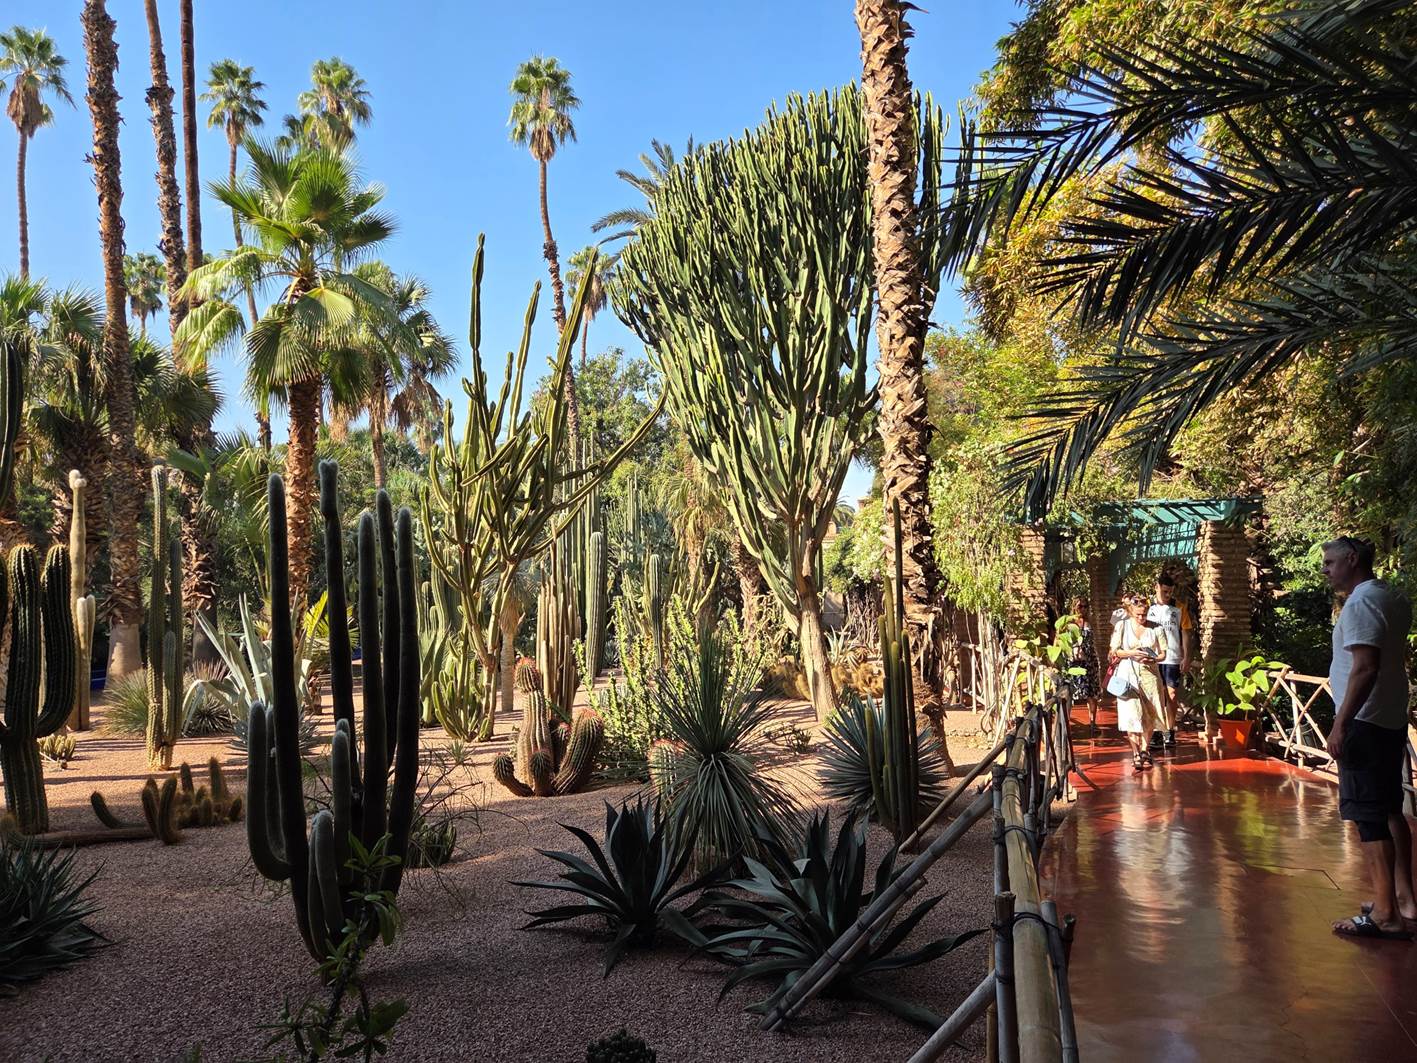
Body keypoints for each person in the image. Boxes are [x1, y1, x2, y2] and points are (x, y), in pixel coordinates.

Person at [1323, 536, 1415, 941]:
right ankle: (1403, 899)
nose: (1325, 570)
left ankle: (1385, 914)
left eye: (1330, 562)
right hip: (1389, 717)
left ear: (1352, 559)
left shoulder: (1361, 603)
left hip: (1364, 720)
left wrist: (1341, 724)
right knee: (1391, 808)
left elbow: (1365, 667)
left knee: (1368, 815)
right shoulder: (1392, 597)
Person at [1110, 592, 1168, 771]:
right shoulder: (1122, 626)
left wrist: (1153, 659)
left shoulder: (1156, 628)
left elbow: (1163, 653)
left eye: (1144, 614)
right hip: (1128, 674)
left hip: (1150, 675)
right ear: (1130, 612)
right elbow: (1115, 650)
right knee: (1131, 713)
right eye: (1138, 615)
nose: (1141, 618)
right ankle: (1135, 752)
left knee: (1150, 713)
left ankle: (1145, 750)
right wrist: (1132, 653)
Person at [1147, 573, 1194, 751]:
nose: (1168, 595)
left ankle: (1170, 729)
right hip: (1152, 657)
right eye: (1165, 591)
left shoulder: (1179, 608)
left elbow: (1186, 632)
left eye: (1170, 592)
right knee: (1156, 695)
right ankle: (1157, 730)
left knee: (1172, 695)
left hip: (1172, 657)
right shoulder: (1147, 607)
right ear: (1157, 587)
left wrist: (1186, 656)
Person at [1066, 596, 1101, 733]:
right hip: (1075, 661)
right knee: (1070, 691)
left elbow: (1093, 641)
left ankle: (1093, 722)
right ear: (1074, 607)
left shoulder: (1090, 622)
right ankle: (1066, 723)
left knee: (1092, 692)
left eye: (1086, 606)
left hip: (1090, 660)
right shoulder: (1069, 622)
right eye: (1080, 606)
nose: (1083, 609)